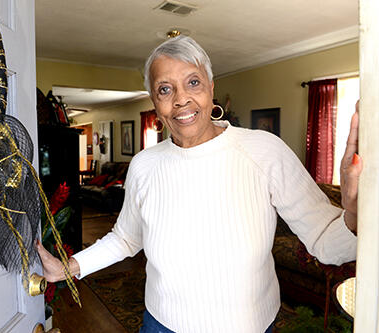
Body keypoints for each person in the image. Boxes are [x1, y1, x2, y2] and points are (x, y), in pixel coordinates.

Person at [37, 36, 362, 333]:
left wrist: (353, 213)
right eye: (165, 89)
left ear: (210, 88)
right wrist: (68, 267)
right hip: (161, 324)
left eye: (193, 82)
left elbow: (326, 243)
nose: (181, 99)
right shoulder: (145, 165)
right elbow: (126, 238)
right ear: (155, 101)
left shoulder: (263, 151)